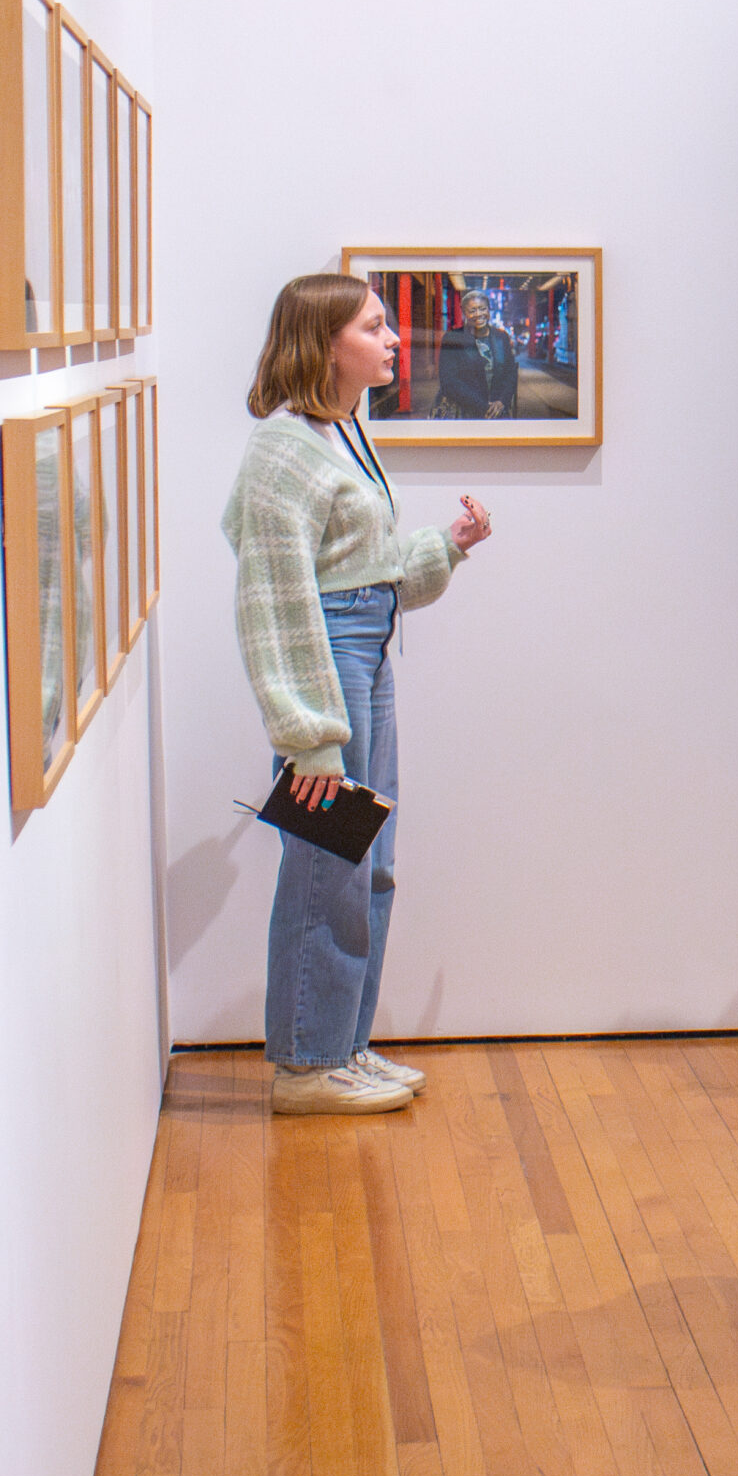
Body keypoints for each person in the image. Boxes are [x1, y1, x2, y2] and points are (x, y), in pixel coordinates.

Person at [224, 274, 494, 1114]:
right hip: (331, 660)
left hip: (364, 653)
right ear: (324, 341)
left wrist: (446, 545)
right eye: (374, 327)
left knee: (369, 864)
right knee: (326, 867)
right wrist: (307, 734)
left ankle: (342, 1045)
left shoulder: (342, 430)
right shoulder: (282, 450)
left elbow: (366, 568)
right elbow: (274, 598)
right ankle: (306, 1066)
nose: (394, 340)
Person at [435, 285, 520, 419]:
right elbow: (449, 381)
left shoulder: (501, 337)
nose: (478, 314)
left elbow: (511, 373)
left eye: (482, 309)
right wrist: (482, 406)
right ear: (464, 313)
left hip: (497, 412)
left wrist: (502, 401)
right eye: (472, 310)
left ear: (489, 310)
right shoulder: (452, 338)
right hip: (463, 413)